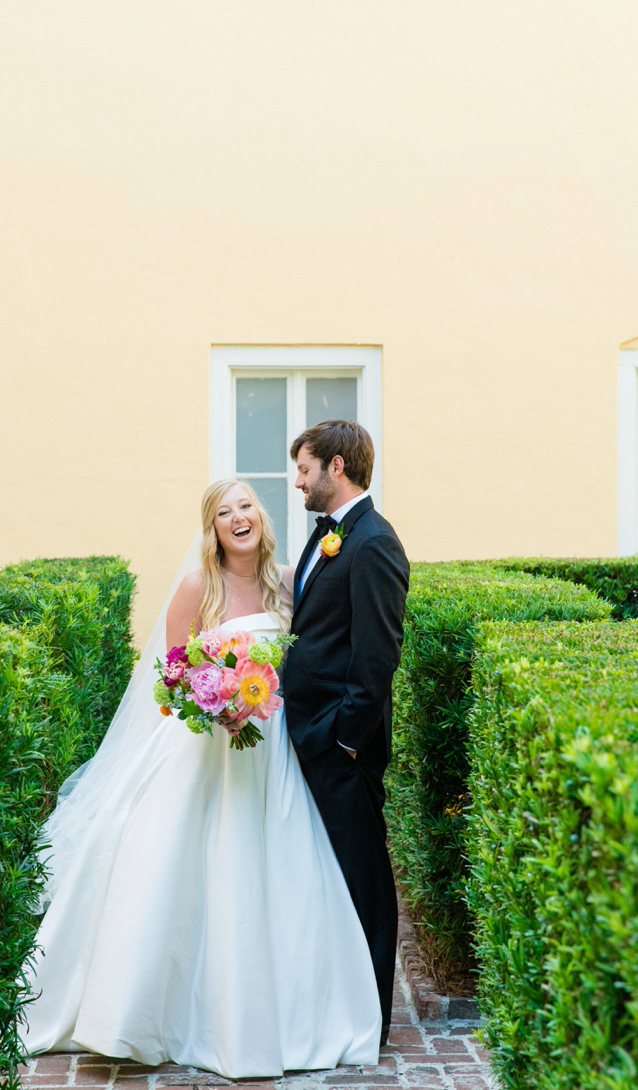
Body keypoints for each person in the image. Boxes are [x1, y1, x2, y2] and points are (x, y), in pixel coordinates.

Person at [21, 478, 383, 1079]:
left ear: (261, 518)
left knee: (273, 868)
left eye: (246, 506)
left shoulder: (291, 583)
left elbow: (310, 663)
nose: (238, 517)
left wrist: (265, 697)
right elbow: (171, 678)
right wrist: (216, 702)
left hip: (272, 753)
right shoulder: (198, 587)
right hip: (203, 752)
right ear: (212, 528)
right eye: (224, 512)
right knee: (171, 863)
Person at [280, 419, 410, 1044]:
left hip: (340, 745)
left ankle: (371, 1019)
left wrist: (346, 739)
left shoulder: (373, 543)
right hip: (308, 736)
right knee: (327, 876)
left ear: (336, 467)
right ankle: (335, 1001)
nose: (297, 482)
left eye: (304, 469)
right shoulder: (328, 539)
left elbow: (377, 655)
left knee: (363, 879)